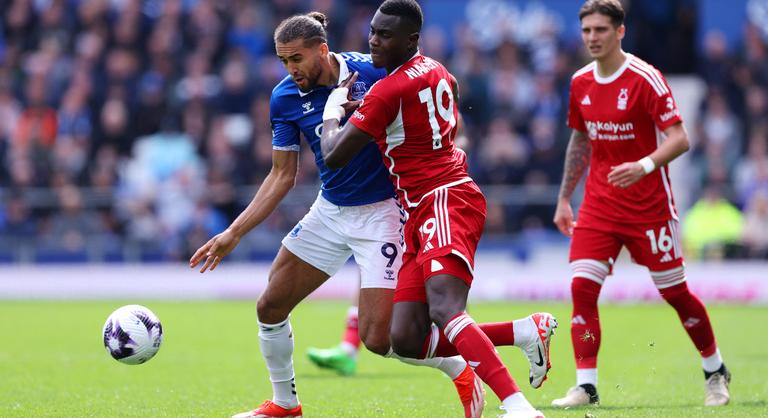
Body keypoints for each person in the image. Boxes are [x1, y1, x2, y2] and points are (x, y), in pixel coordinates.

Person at [189, 12, 485, 418]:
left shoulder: (372, 71)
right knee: (269, 307)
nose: (292, 69)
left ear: (323, 50)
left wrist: (451, 139)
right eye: (283, 60)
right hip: (329, 210)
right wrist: (234, 232)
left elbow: (437, 88)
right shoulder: (284, 98)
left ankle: (459, 367)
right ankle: (285, 405)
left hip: (384, 214)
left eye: (297, 58)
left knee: (380, 340)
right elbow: (282, 174)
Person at [319, 1, 556, 417]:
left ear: (411, 40)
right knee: (405, 337)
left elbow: (333, 154)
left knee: (446, 309)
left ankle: (518, 406)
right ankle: (524, 331)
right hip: (422, 208)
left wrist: (335, 108)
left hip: (444, 200)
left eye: (385, 34)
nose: (374, 40)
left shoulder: (387, 90)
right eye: (373, 31)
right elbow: (426, 125)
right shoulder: (438, 70)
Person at [551, 0, 730, 408]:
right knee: (582, 287)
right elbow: (580, 140)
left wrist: (644, 165)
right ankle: (586, 386)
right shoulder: (580, 81)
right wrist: (564, 198)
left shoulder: (645, 78)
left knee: (676, 294)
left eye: (600, 30)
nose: (592, 38)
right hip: (599, 204)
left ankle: (714, 370)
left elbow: (680, 137)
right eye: (587, 31)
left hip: (648, 207)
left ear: (620, 32)